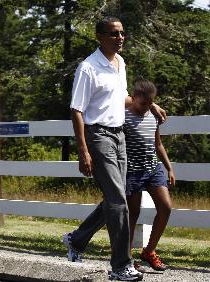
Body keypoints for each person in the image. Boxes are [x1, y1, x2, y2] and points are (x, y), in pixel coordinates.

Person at [62, 17, 166, 281]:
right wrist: (83, 150)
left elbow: (122, 98)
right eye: (113, 34)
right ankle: (121, 266)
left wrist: (149, 104)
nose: (120, 38)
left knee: (116, 197)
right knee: (120, 201)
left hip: (120, 136)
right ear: (99, 37)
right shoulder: (88, 68)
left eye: (122, 33)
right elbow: (77, 110)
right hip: (98, 136)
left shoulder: (120, 64)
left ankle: (77, 239)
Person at [124, 78, 175, 271]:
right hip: (133, 172)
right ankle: (126, 258)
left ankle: (149, 251)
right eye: (143, 103)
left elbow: (158, 144)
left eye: (151, 103)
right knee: (133, 214)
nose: (147, 107)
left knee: (166, 207)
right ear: (133, 98)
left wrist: (169, 168)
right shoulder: (124, 117)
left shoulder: (153, 115)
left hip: (153, 169)